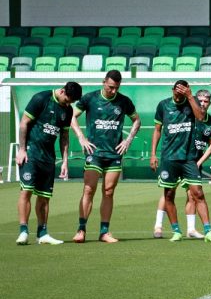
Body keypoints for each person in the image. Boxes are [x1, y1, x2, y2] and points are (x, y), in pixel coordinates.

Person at [70, 70, 140, 244]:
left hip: (114, 154)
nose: (113, 91)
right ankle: (81, 229)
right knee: (89, 189)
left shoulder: (124, 101)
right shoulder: (90, 98)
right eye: (110, 87)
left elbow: (137, 120)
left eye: (116, 88)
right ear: (104, 82)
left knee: (108, 192)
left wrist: (128, 140)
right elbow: (72, 116)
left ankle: (104, 232)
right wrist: (81, 137)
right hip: (94, 152)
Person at [150, 80, 211, 243]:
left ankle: (208, 231)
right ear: (172, 90)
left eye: (182, 93)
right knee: (169, 194)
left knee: (198, 193)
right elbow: (157, 130)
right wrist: (153, 154)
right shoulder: (163, 105)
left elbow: (201, 117)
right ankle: (176, 231)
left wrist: (189, 96)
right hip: (169, 158)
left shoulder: (192, 102)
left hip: (189, 158)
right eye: (177, 92)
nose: (179, 96)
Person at [15, 82, 82, 245]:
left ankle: (42, 234)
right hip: (31, 153)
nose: (68, 104)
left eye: (71, 103)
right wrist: (22, 150)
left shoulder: (68, 110)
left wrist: (65, 161)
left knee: (44, 197)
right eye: (67, 100)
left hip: (48, 158)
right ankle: (23, 231)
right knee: (26, 191)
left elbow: (64, 136)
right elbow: (24, 123)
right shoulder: (40, 99)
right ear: (62, 91)